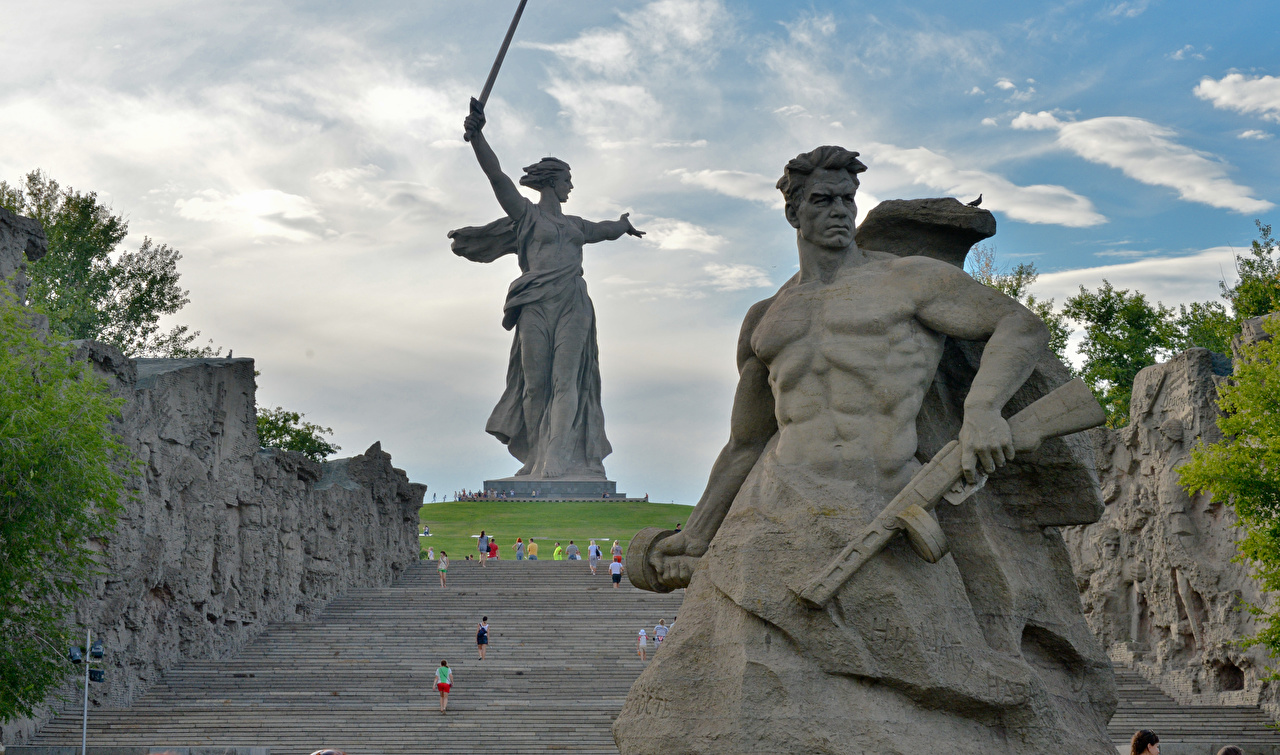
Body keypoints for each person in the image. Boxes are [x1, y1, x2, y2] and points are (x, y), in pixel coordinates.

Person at [615, 147, 1116, 754]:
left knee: (958, 672)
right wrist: (694, 538)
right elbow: (746, 442)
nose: (839, 212)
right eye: (823, 200)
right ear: (793, 211)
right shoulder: (765, 320)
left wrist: (984, 410)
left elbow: (1020, 326)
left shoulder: (907, 281)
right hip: (774, 511)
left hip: (883, 505)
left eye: (848, 200)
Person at [454, 98, 645, 482]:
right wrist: (478, 137)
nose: (571, 186)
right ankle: (535, 454)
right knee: (535, 385)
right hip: (535, 304)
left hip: (573, 302)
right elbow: (497, 178)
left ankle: (556, 456)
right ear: (552, 182)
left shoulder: (576, 225)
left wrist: (623, 225)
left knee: (566, 380)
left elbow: (604, 229)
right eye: (567, 180)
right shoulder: (526, 215)